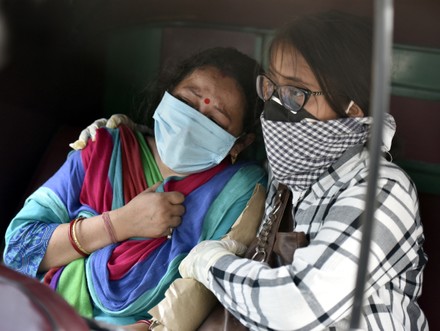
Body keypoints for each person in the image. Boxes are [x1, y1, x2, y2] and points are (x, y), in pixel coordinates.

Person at [179, 11, 428, 330]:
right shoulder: (285, 177)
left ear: (352, 109)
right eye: (271, 87)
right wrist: (120, 139)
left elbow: (296, 306)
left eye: (296, 93)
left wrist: (209, 262)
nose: (275, 106)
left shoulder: (383, 190)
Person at [3, 47, 267, 327]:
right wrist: (118, 224)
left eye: (214, 120)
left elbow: (201, 293)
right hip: (42, 314)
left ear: (240, 143)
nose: (193, 122)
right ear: (166, 97)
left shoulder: (238, 191)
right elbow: (20, 250)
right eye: (187, 104)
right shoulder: (104, 148)